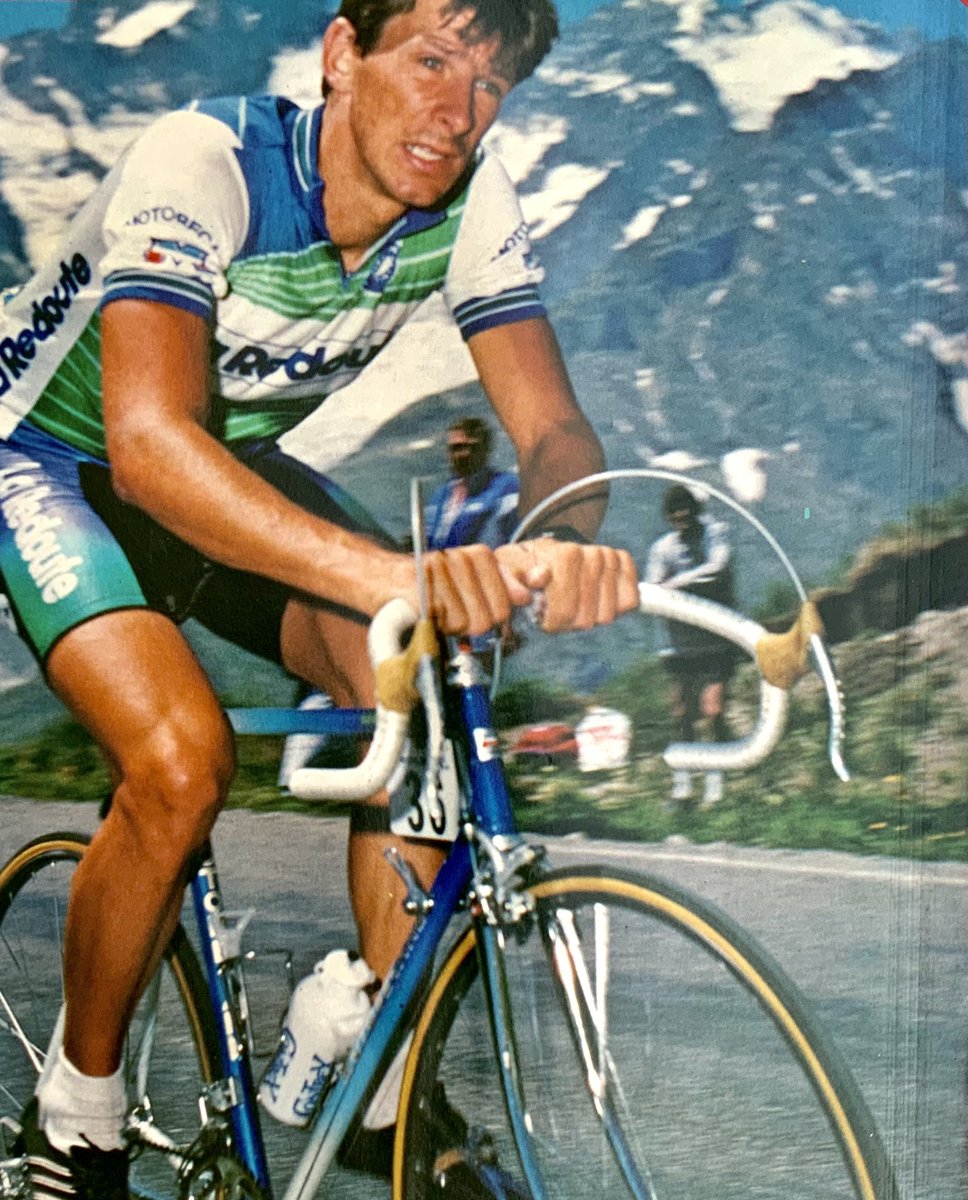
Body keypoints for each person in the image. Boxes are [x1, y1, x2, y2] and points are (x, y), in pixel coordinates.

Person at [0, 1, 638, 1195]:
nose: (455, 113)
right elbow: (145, 445)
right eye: (431, 61)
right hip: (57, 465)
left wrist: (563, 540)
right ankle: (73, 1122)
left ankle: (380, 1091)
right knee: (182, 763)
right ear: (343, 56)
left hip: (223, 472)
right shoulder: (206, 162)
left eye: (489, 83)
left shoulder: (466, 200)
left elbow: (552, 429)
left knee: (424, 700)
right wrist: (398, 578)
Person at [644, 484, 737, 809]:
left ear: (695, 512)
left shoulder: (716, 533)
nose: (682, 520)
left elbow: (717, 568)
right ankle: (682, 788)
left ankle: (716, 787)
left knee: (713, 712)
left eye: (687, 513)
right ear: (669, 517)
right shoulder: (663, 548)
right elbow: (654, 588)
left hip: (716, 642)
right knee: (682, 712)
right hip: (679, 646)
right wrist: (665, 588)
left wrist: (676, 584)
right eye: (675, 515)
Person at [425, 416, 519, 550]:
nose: (464, 454)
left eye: (472, 447)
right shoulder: (439, 496)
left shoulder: (507, 487)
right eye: (456, 448)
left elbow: (518, 539)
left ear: (486, 449)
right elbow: (425, 542)